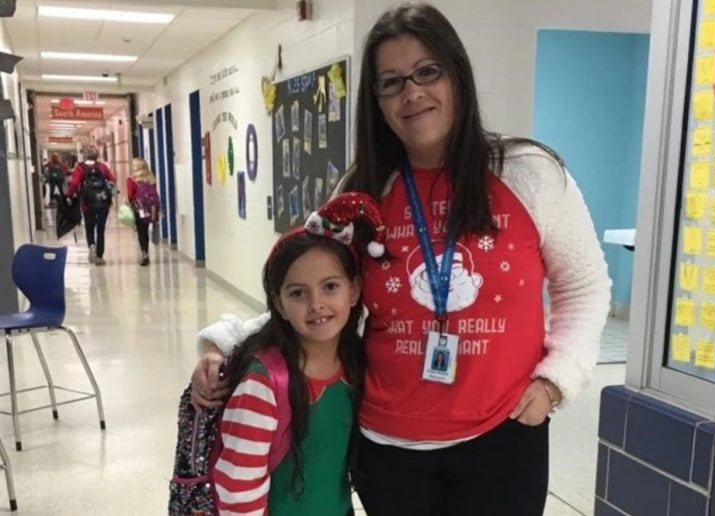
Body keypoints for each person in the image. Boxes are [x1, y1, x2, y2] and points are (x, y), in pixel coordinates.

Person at [192, 3, 611, 515]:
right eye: (391, 82)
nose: (412, 92)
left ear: (456, 74)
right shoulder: (364, 188)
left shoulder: (529, 173)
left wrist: (555, 381)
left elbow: (585, 287)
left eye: (427, 71)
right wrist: (225, 347)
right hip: (389, 447)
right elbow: (316, 290)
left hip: (504, 437)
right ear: (377, 101)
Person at [203, 193, 388, 515]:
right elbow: (238, 489)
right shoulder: (264, 384)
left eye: (330, 286)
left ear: (355, 289)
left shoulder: (356, 361)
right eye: (298, 293)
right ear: (278, 304)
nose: (316, 304)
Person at [68, 146, 117, 266]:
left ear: (86, 155)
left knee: (89, 227)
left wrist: (70, 195)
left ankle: (91, 245)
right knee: (100, 229)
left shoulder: (80, 167)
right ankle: (100, 256)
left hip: (87, 202)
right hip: (102, 203)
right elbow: (113, 179)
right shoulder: (102, 166)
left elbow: (74, 183)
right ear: (97, 155)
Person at [126, 158, 159, 266]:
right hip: (150, 209)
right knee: (145, 230)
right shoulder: (151, 178)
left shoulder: (131, 179)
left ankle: (144, 253)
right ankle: (146, 252)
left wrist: (130, 204)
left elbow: (130, 195)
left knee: (141, 231)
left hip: (138, 208)